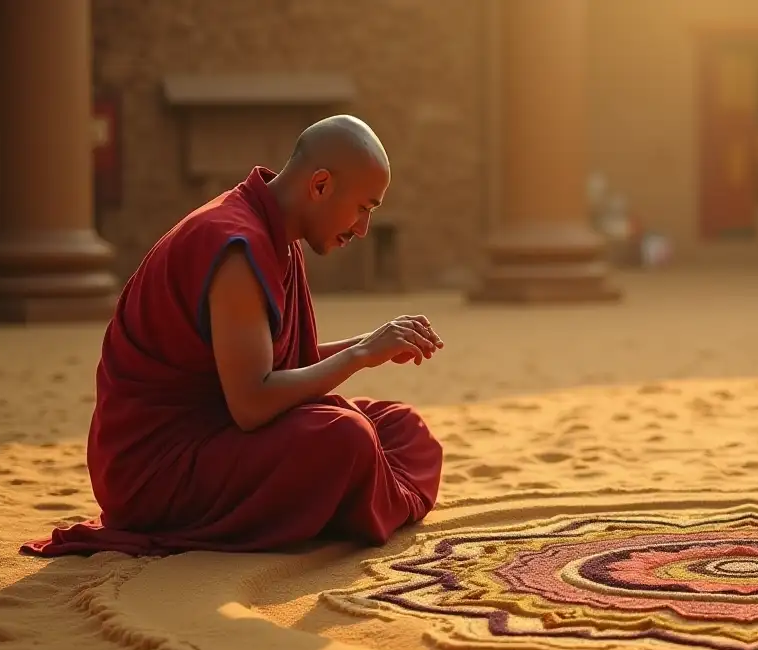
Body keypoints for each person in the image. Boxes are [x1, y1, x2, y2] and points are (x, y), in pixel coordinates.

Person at [23, 115, 445, 557]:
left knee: (402, 427)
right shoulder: (236, 246)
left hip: (221, 429)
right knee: (349, 439)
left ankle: (335, 499)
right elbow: (253, 402)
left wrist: (373, 343)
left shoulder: (276, 235)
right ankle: (338, 499)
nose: (362, 229)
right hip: (160, 468)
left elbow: (275, 363)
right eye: (364, 207)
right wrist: (360, 353)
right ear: (320, 185)